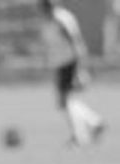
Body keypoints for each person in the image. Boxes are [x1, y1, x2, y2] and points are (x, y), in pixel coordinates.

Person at [39, 0, 106, 146]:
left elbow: (76, 42)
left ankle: (81, 135)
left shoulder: (61, 19)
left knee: (64, 101)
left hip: (70, 62)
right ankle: (94, 123)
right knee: (64, 101)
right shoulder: (48, 21)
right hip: (60, 64)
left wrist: (80, 68)